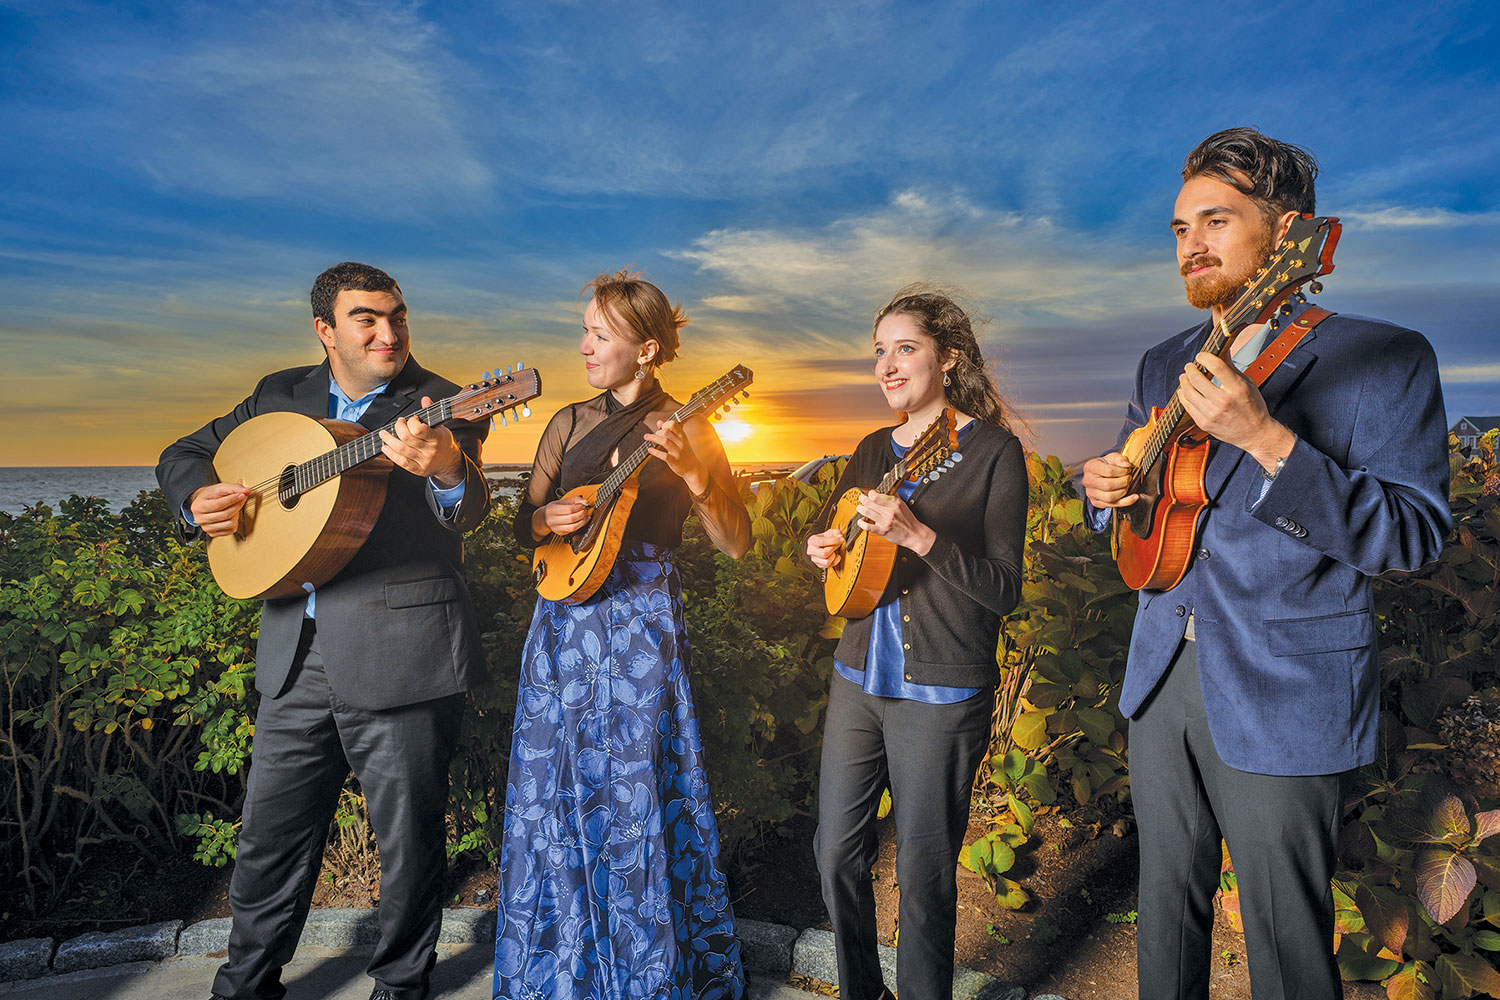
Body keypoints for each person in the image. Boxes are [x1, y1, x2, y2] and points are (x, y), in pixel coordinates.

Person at [1080, 127, 1451, 999]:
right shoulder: (1163, 362)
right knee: (1166, 910)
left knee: (1288, 943)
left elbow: (1413, 535)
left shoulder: (1385, 357)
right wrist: (1113, 495)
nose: (1191, 245)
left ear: (1287, 236)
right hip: (1161, 674)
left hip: (1288, 685)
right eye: (1179, 228)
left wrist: (1269, 439)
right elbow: (1152, 518)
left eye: (1216, 220)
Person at [156, 261, 491, 1000]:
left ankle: (402, 988)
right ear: (325, 330)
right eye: (367, 317)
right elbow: (181, 454)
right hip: (295, 654)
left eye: (398, 314)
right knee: (268, 841)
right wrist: (197, 502)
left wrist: (446, 471)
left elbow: (466, 512)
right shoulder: (281, 395)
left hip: (402, 653)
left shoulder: (443, 402)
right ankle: (246, 985)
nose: (389, 330)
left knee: (407, 844)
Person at [494, 270, 751, 1000]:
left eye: (599, 335)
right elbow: (526, 524)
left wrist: (699, 478)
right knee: (552, 795)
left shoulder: (690, 424)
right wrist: (547, 521)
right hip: (561, 627)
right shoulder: (568, 423)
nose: (583, 347)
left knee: (637, 795)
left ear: (646, 350)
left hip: (639, 628)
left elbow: (735, 542)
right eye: (585, 330)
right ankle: (560, 973)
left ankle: (644, 977)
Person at [805, 287, 1027, 1000]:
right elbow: (840, 535)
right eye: (879, 351)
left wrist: (920, 537)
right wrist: (825, 546)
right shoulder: (873, 448)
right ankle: (862, 991)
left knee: (926, 875)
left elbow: (1004, 588)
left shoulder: (994, 452)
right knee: (835, 851)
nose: (887, 365)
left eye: (905, 348)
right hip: (858, 676)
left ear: (949, 357)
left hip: (941, 689)